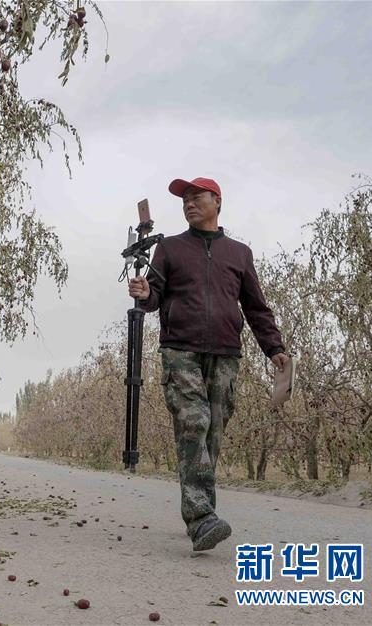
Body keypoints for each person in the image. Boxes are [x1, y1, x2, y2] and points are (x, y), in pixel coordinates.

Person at [128, 177, 290, 551]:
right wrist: (145, 292)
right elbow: (153, 297)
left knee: (212, 434)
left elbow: (255, 307)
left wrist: (274, 348)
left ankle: (199, 511)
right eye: (185, 200)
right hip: (179, 350)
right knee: (193, 423)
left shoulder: (239, 253)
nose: (188, 204)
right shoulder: (168, 249)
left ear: (217, 201)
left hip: (225, 355)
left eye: (196, 198)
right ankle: (202, 519)